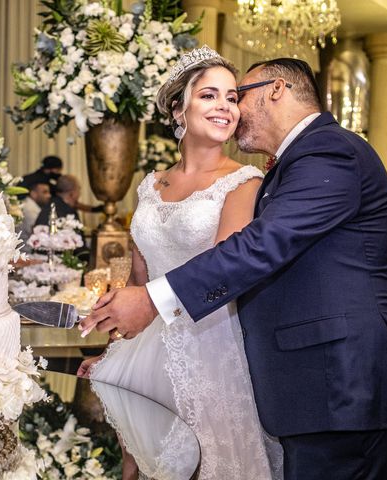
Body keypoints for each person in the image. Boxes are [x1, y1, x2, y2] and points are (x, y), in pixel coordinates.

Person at [80, 57, 387, 480]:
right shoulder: (297, 161)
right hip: (320, 387)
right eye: (212, 96)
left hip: (350, 388)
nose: (233, 110)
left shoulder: (330, 151)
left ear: (276, 90)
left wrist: (155, 299)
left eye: (237, 95)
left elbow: (260, 246)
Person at [78, 47, 282, 479]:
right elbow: (139, 277)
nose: (225, 107)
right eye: (209, 95)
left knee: (201, 464)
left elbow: (227, 271)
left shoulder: (244, 182)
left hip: (209, 345)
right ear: (179, 108)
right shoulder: (150, 184)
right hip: (147, 346)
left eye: (232, 97)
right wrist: (115, 351)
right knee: (140, 463)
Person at [18, 180, 52, 247]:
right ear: (34, 194)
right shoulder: (29, 209)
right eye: (45, 192)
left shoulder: (32, 205)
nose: (49, 195)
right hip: (27, 252)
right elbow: (39, 233)